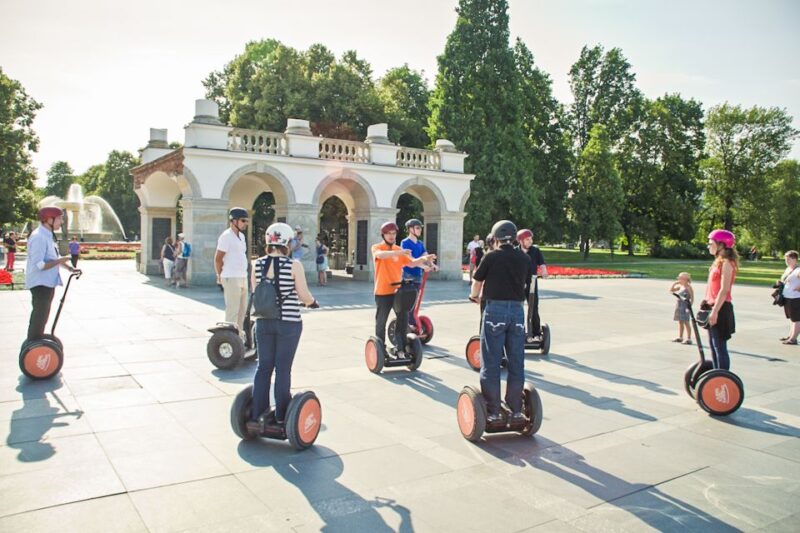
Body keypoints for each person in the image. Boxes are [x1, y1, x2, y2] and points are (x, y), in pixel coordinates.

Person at [247, 222, 319, 431]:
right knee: (283, 368)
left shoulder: (257, 264)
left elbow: (257, 291)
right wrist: (311, 302)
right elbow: (304, 295)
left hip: (263, 321)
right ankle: (281, 415)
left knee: (264, 367)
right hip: (288, 323)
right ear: (287, 242)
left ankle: (257, 412)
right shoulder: (293, 265)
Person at [469, 220, 532, 424]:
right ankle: (515, 409)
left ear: (495, 237)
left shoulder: (491, 256)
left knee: (492, 361)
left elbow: (478, 281)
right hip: (516, 311)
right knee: (516, 361)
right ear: (514, 238)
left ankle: (493, 410)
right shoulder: (524, 258)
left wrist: (474, 296)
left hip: (495, 310)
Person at [372, 221, 435, 351]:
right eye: (388, 233)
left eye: (394, 233)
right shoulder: (377, 247)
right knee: (381, 322)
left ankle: (400, 348)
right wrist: (399, 253)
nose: (391, 236)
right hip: (383, 292)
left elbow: (412, 263)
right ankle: (380, 348)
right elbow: (381, 256)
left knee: (403, 320)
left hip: (398, 291)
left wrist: (425, 259)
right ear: (383, 235)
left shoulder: (398, 250)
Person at [25, 207, 79, 342]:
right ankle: (33, 345)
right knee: (39, 317)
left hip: (47, 282)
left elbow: (51, 257)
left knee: (43, 317)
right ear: (49, 219)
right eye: (59, 218)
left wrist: (69, 268)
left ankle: (37, 341)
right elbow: (40, 265)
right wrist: (61, 260)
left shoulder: (48, 235)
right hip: (40, 283)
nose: (61, 222)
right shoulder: (38, 237)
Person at [703, 229, 738, 369]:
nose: (708, 246)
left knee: (720, 348)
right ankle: (716, 378)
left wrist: (715, 311)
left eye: (711, 243)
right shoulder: (717, 262)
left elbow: (724, 290)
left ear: (721, 245)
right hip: (713, 306)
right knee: (713, 347)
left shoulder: (727, 263)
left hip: (721, 308)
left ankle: (723, 380)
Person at [215, 207, 249, 336]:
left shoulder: (241, 236)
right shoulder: (226, 236)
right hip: (230, 276)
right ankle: (229, 339)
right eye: (243, 220)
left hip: (242, 276)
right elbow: (218, 259)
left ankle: (238, 338)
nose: (245, 223)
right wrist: (219, 275)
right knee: (232, 311)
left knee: (242, 311)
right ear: (233, 221)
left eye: (246, 221)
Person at [400, 218, 438, 327]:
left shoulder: (420, 243)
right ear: (410, 229)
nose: (420, 230)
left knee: (416, 300)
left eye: (420, 228)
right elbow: (409, 259)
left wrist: (432, 265)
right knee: (409, 301)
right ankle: (407, 323)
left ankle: (412, 322)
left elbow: (425, 256)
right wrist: (423, 266)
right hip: (408, 275)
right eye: (417, 228)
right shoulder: (405, 242)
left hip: (418, 275)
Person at [516, 229, 549, 343]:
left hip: (532, 282)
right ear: (521, 241)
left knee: (533, 307)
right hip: (518, 283)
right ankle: (518, 330)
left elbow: (542, 264)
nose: (530, 241)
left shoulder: (535, 250)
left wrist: (544, 271)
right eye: (527, 239)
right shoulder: (516, 251)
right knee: (517, 307)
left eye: (531, 239)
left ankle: (536, 333)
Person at [779, 250, 800, 345]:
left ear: (795, 259)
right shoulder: (788, 269)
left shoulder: (798, 270)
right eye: (785, 259)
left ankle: (793, 339)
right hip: (788, 297)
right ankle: (790, 335)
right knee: (792, 319)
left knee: (796, 319)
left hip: (795, 297)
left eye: (789, 259)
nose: (786, 261)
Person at [669, 272, 694, 344]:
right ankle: (680, 337)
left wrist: (689, 307)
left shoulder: (689, 287)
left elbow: (692, 298)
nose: (678, 279)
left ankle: (689, 338)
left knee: (686, 322)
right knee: (680, 321)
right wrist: (674, 284)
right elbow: (671, 291)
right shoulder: (680, 286)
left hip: (685, 305)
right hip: (679, 305)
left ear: (685, 279)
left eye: (679, 278)